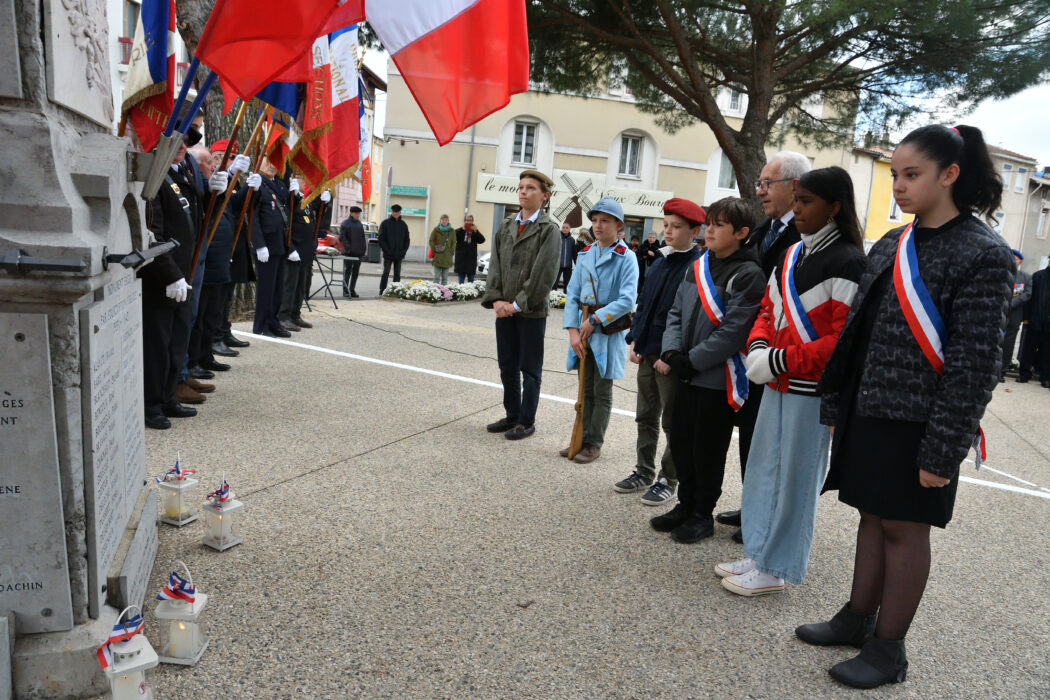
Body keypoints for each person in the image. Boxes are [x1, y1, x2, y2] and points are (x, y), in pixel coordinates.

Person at [796, 126, 1014, 689]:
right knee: (871, 513)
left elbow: (976, 365)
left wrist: (944, 449)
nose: (898, 185)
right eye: (895, 174)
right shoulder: (894, 242)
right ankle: (855, 618)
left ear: (950, 175)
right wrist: (839, 405)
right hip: (871, 410)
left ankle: (889, 649)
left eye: (911, 174)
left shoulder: (983, 253)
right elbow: (858, 335)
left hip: (922, 422)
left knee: (904, 529)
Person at [716, 166, 866, 596]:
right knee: (763, 471)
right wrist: (760, 348)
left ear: (834, 208)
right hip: (777, 379)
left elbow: (841, 341)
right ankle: (760, 550)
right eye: (796, 200)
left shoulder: (849, 261)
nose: (796, 210)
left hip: (808, 389)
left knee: (795, 480)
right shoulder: (791, 254)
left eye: (806, 202)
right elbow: (767, 310)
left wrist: (777, 359)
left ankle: (778, 566)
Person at [651, 197, 765, 542]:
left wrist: (693, 359)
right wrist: (672, 351)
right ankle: (685, 504)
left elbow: (734, 331)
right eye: (709, 222)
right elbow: (675, 311)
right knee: (682, 441)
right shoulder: (697, 266)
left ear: (742, 233)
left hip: (718, 378)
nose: (710, 230)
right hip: (686, 371)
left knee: (708, 448)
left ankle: (702, 513)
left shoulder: (749, 274)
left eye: (719, 224)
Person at [715, 150, 812, 538]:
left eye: (767, 184)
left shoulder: (803, 232)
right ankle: (751, 503)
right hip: (750, 347)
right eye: (759, 183)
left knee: (773, 441)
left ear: (794, 185)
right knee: (751, 432)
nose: (760, 192)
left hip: (779, 351)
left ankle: (767, 516)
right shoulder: (762, 229)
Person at [614, 198, 703, 505]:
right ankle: (643, 470)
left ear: (695, 231)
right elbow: (646, 304)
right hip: (647, 351)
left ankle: (669, 477)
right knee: (645, 415)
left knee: (673, 421)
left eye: (676, 227)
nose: (668, 231)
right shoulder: (660, 262)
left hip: (670, 358)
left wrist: (671, 356)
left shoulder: (696, 267)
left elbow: (689, 318)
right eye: (666, 225)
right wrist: (635, 340)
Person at [138, 123, 227, 429]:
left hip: (184, 275)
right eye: (176, 143)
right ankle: (150, 405)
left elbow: (200, 223)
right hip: (164, 279)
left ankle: (167, 396)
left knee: (177, 342)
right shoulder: (153, 177)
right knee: (158, 345)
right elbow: (152, 234)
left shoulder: (181, 176)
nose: (183, 149)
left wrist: (217, 194)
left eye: (184, 144)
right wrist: (171, 274)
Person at [480, 169, 561, 440]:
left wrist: (516, 304)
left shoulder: (549, 230)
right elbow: (495, 267)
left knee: (530, 368)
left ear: (545, 196)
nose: (523, 191)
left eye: (530, 188)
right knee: (507, 365)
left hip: (530, 312)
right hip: (504, 310)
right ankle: (512, 415)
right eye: (521, 187)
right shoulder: (506, 226)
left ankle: (526, 421)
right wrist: (497, 300)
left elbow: (544, 275)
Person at [559, 197, 639, 463]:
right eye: (594, 220)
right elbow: (572, 294)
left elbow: (627, 300)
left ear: (619, 225)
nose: (598, 225)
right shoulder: (585, 254)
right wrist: (572, 330)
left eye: (605, 221)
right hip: (582, 330)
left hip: (606, 332)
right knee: (585, 388)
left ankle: (594, 442)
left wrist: (594, 319)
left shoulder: (626, 258)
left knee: (601, 389)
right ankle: (580, 437)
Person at [249, 158, 290, 337]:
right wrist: (259, 244)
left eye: (275, 161)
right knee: (266, 288)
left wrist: (294, 194)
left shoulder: (278, 185)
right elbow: (253, 217)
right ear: (259, 163)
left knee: (278, 288)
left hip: (279, 242)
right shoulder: (258, 184)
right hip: (266, 245)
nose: (273, 165)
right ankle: (262, 325)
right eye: (269, 161)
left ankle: (273, 321)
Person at [277, 178, 322, 332]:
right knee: (290, 285)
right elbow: (287, 224)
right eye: (304, 180)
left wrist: (325, 203)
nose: (308, 183)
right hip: (294, 249)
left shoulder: (306, 201)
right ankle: (284, 316)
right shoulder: (292, 200)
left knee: (300, 286)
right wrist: (290, 248)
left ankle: (295, 314)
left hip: (305, 251)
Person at [1017, 258, 1050, 385]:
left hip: (1048, 324)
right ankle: (1024, 374)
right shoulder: (1038, 276)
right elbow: (1029, 297)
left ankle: (1045, 377)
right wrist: (1025, 317)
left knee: (1047, 352)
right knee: (1028, 349)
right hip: (1034, 319)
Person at [1000, 250, 1032, 381]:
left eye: (1017, 259)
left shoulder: (1026, 277)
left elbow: (1027, 294)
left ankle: (1001, 372)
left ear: (1020, 262)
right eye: (1012, 257)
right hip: (998, 314)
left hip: (1014, 315)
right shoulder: (1001, 274)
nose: (1014, 260)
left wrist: (1011, 303)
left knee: (1008, 345)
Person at [378, 203, 410, 294]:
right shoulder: (385, 223)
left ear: (400, 213)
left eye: (397, 212)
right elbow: (381, 238)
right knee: (386, 272)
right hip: (388, 254)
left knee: (397, 274)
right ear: (392, 212)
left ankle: (396, 290)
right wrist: (386, 250)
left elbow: (407, 240)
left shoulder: (403, 224)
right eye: (394, 212)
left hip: (399, 254)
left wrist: (403, 251)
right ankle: (382, 290)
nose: (395, 213)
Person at [339, 206, 367, 297]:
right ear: (351, 213)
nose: (358, 215)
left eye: (358, 213)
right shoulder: (345, 223)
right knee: (347, 272)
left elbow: (362, 238)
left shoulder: (359, 224)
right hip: (349, 252)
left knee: (355, 273)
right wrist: (348, 248)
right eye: (356, 213)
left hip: (359, 253)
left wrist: (363, 249)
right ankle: (346, 290)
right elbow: (342, 237)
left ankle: (352, 289)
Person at [453, 214, 485, 284]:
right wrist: (461, 229)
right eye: (467, 220)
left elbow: (482, 240)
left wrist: (476, 231)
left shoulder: (475, 231)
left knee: (471, 283)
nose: (468, 222)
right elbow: (453, 237)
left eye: (470, 220)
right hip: (461, 260)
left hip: (471, 260)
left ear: (472, 221)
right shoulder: (460, 231)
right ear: (464, 221)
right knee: (460, 284)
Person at [429, 214, 455, 285]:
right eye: (443, 220)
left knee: (445, 278)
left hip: (447, 257)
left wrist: (451, 251)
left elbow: (454, 242)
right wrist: (434, 249)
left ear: (448, 221)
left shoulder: (452, 231)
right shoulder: (436, 229)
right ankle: (435, 293)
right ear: (440, 220)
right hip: (438, 256)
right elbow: (431, 240)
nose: (444, 221)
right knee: (436, 277)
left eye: (446, 220)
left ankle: (444, 293)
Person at [553, 221, 576, 290]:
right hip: (558, 265)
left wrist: (576, 263)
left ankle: (566, 298)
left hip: (568, 266)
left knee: (567, 284)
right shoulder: (557, 238)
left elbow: (574, 253)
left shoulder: (572, 240)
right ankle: (553, 297)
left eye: (566, 228)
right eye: (563, 227)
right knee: (554, 283)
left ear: (569, 229)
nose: (565, 229)